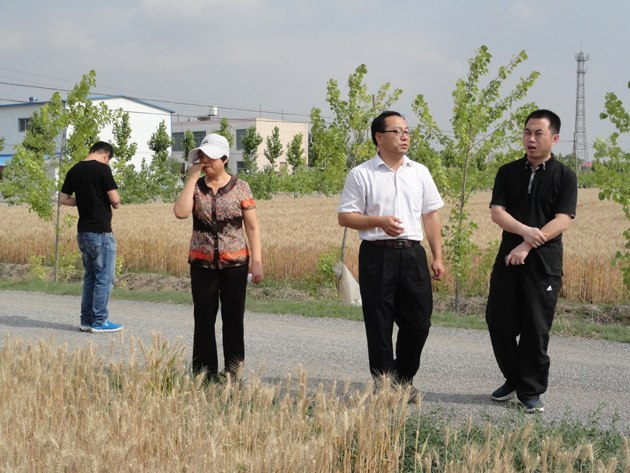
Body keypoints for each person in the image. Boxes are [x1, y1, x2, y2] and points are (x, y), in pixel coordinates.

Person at [337, 111, 445, 402]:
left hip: (412, 255)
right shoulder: (361, 174)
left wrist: (437, 256)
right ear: (379, 137)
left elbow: (431, 215)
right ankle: (386, 386)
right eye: (397, 131)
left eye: (407, 131)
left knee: (419, 324)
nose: (404, 137)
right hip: (376, 255)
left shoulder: (419, 172)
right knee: (379, 323)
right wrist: (379, 222)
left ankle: (404, 379)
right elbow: (345, 217)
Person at [485, 109, 577, 413]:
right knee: (498, 322)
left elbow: (562, 220)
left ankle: (530, 391)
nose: (531, 139)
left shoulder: (565, 176)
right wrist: (525, 232)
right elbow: (497, 213)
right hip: (508, 261)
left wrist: (527, 244)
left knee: (535, 328)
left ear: (554, 138)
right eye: (527, 132)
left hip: (544, 265)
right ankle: (514, 378)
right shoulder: (507, 172)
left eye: (539, 133)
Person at [173, 133, 263, 382]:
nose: (205, 161)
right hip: (202, 264)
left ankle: (233, 373)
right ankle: (204, 374)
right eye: (202, 156)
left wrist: (256, 261)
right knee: (203, 319)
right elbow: (180, 212)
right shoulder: (195, 187)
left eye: (210, 157)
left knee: (233, 320)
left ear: (224, 159)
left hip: (235, 264)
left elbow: (252, 227)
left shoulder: (241, 187)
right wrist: (191, 178)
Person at [59, 141, 123, 333]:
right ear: (106, 155)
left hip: (83, 232)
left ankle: (86, 320)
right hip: (100, 232)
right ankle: (100, 321)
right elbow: (115, 200)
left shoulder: (74, 169)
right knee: (105, 278)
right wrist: (107, 201)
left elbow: (63, 199)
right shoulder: (103, 169)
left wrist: (84, 200)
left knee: (90, 278)